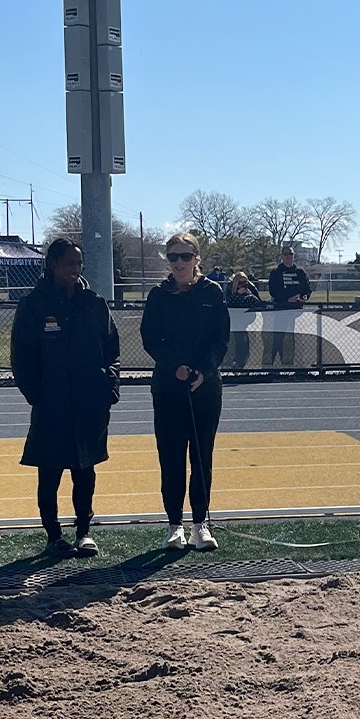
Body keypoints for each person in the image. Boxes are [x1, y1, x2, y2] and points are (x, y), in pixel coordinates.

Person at [11, 238, 120, 558]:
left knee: (85, 471)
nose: (75, 269)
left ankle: (84, 533)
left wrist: (109, 387)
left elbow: (112, 349)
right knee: (49, 472)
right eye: (68, 263)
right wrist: (37, 394)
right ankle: (53, 536)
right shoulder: (33, 305)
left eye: (78, 263)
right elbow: (22, 355)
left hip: (89, 404)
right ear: (52, 265)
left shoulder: (93, 303)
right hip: (52, 405)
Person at [140, 232, 229, 551]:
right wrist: (174, 365)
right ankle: (174, 526)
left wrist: (204, 371)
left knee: (202, 457)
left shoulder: (213, 292)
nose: (179, 263)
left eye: (185, 256)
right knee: (171, 458)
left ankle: (200, 525)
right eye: (173, 256)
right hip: (168, 387)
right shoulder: (158, 295)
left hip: (206, 389)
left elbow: (221, 340)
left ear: (196, 259)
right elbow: (150, 338)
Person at [263, 245, 312, 370]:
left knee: (297, 339)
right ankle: (273, 365)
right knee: (278, 338)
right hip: (281, 311)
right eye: (286, 254)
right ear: (282, 256)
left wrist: (304, 297)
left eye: (290, 254)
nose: (288, 256)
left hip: (297, 312)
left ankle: (296, 366)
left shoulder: (300, 272)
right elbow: (273, 291)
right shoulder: (276, 273)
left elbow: (307, 289)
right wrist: (287, 299)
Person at [225, 271, 262, 370]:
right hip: (233, 321)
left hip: (246, 321)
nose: (243, 285)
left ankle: (241, 364)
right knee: (236, 342)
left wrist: (250, 294)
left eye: (245, 282)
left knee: (245, 343)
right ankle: (233, 363)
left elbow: (258, 302)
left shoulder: (251, 288)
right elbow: (227, 301)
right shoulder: (230, 289)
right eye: (240, 283)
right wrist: (237, 294)